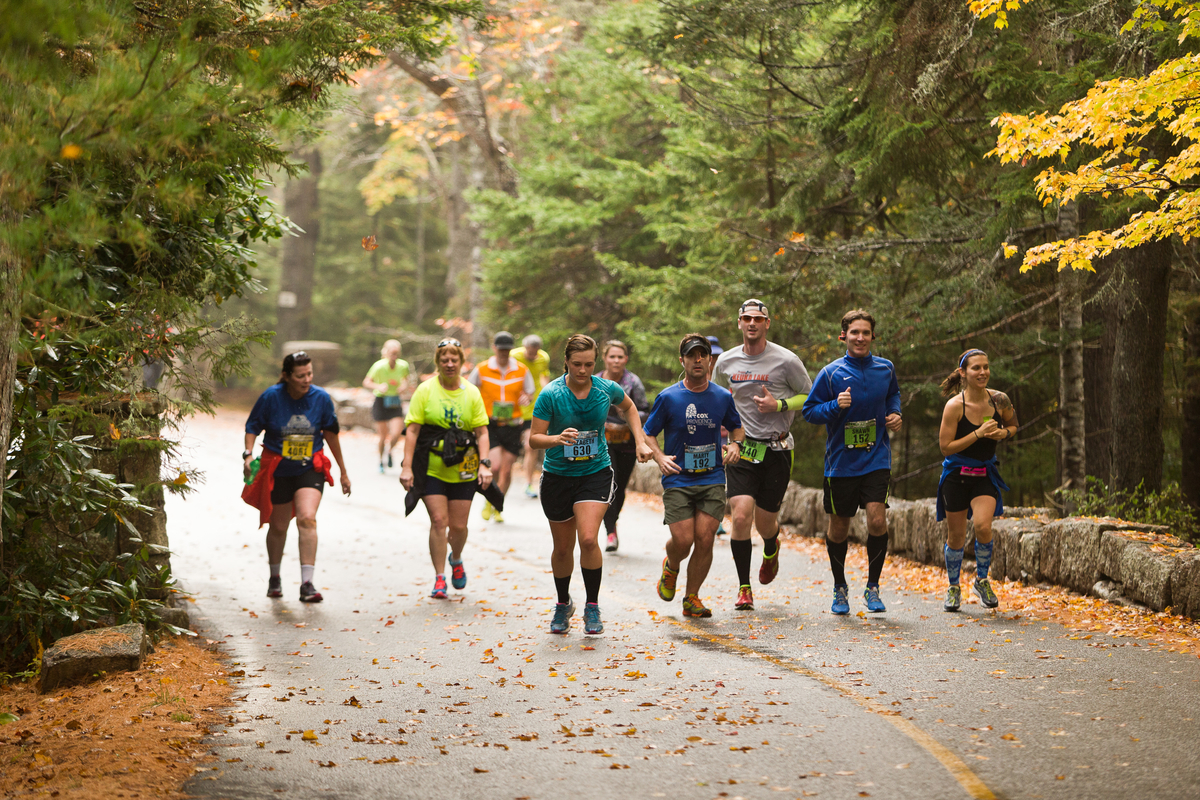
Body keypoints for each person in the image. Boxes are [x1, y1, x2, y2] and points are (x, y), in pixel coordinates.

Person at [529, 334, 652, 635]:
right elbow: (534, 439)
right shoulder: (551, 394)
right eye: (576, 365)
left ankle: (592, 607)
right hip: (558, 474)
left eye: (588, 364)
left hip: (595, 472)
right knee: (562, 548)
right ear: (566, 363)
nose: (583, 371)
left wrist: (640, 440)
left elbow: (631, 408)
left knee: (587, 539)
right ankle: (562, 604)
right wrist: (556, 439)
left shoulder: (606, 388)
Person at [713, 299, 812, 611]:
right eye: (747, 318)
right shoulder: (726, 362)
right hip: (741, 447)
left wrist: (779, 406)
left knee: (766, 520)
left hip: (778, 448)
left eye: (758, 318)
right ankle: (744, 587)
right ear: (739, 323)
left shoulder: (786, 360)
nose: (752, 323)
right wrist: (721, 437)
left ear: (767, 323)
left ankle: (772, 547)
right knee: (740, 515)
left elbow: (808, 396)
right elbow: (715, 399)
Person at [801, 309, 902, 615]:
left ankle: (873, 587)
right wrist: (834, 405)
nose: (860, 338)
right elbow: (810, 411)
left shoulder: (885, 368)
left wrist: (895, 414)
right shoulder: (831, 373)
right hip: (841, 463)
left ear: (873, 336)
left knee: (876, 520)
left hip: (876, 458)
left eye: (866, 333)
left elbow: (893, 395)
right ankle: (840, 587)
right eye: (854, 332)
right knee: (839, 527)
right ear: (843, 335)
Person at [646, 334, 744, 617]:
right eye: (692, 355)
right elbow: (649, 433)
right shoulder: (668, 397)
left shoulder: (722, 397)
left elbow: (737, 428)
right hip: (678, 477)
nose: (698, 359)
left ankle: (692, 597)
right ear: (683, 361)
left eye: (703, 354)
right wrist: (659, 456)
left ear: (710, 359)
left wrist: (736, 445)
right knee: (683, 541)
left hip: (712, 476)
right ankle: (672, 564)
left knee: (705, 538)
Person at [242, 351, 351, 603]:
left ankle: (307, 583)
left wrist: (343, 471)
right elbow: (252, 427)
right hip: (278, 468)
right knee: (279, 526)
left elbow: (332, 435)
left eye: (309, 374)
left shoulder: (321, 398)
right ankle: (275, 577)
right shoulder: (271, 397)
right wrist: (248, 455)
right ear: (287, 376)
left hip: (309, 467)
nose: (306, 380)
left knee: (307, 519)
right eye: (300, 376)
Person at [399, 338, 495, 599]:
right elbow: (413, 430)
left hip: (464, 467)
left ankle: (457, 557)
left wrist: (485, 464)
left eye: (454, 360)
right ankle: (439, 577)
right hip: (431, 466)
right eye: (444, 360)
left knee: (459, 526)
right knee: (439, 521)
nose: (450, 364)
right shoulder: (425, 390)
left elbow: (482, 432)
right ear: (438, 363)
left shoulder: (471, 392)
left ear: (462, 362)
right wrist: (407, 467)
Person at [936, 349, 1017, 611]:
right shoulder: (954, 406)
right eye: (976, 368)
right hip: (956, 476)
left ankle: (982, 580)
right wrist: (979, 434)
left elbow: (1014, 425)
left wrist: (1002, 434)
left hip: (985, 474)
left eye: (986, 367)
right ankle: (953, 587)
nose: (982, 372)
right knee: (957, 536)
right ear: (963, 373)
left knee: (983, 526)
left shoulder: (999, 399)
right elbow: (946, 447)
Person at [468, 331, 534, 523]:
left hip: (513, 424)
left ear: (511, 350)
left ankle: (497, 503)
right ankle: (490, 498)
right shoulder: (482, 369)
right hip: (490, 423)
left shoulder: (521, 369)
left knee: (507, 469)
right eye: (501, 349)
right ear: (494, 348)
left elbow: (529, 392)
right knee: (495, 466)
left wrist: (525, 398)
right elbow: (469, 390)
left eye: (507, 349)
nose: (504, 353)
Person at [598, 340, 650, 553]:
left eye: (620, 357)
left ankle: (612, 522)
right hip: (603, 442)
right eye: (612, 356)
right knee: (609, 481)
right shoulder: (597, 381)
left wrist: (628, 414)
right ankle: (610, 530)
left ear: (626, 359)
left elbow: (646, 411)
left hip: (628, 442)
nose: (616, 360)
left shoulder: (633, 382)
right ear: (605, 358)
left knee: (620, 485)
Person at [362, 339, 411, 473]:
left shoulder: (403, 365)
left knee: (397, 433)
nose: (394, 356)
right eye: (392, 353)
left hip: (395, 400)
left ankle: (389, 451)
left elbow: (406, 381)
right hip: (381, 401)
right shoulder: (378, 366)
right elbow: (366, 382)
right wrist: (378, 386)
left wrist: (403, 386)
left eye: (397, 353)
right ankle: (380, 460)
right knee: (383, 436)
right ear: (386, 352)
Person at [515, 334, 551, 498]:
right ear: (525, 348)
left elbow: (545, 376)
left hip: (534, 406)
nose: (532, 355)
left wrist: (547, 392)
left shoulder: (544, 357)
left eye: (535, 352)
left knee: (531, 446)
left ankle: (528, 483)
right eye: (530, 352)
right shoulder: (513, 356)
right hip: (514, 407)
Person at [706, 335, 729, 538]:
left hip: (724, 437)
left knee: (722, 476)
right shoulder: (694, 380)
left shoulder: (726, 380)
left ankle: (718, 518)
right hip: (702, 439)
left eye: (716, 356)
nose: (712, 360)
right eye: (709, 356)